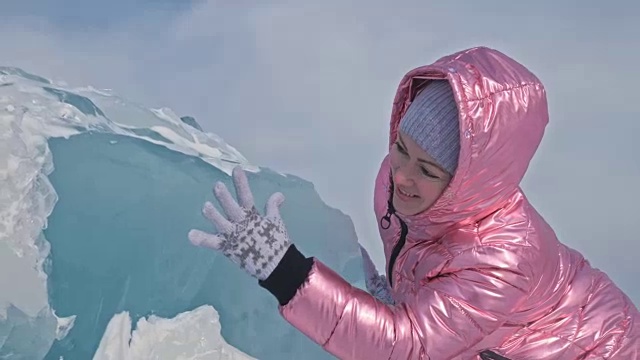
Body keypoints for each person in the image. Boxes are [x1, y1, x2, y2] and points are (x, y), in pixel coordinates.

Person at [188, 46, 639, 359]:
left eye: (427, 169)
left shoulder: (503, 259)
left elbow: (407, 350)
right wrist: (393, 296)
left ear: (470, 181)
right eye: (402, 147)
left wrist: (283, 271)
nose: (401, 175)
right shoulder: (397, 182)